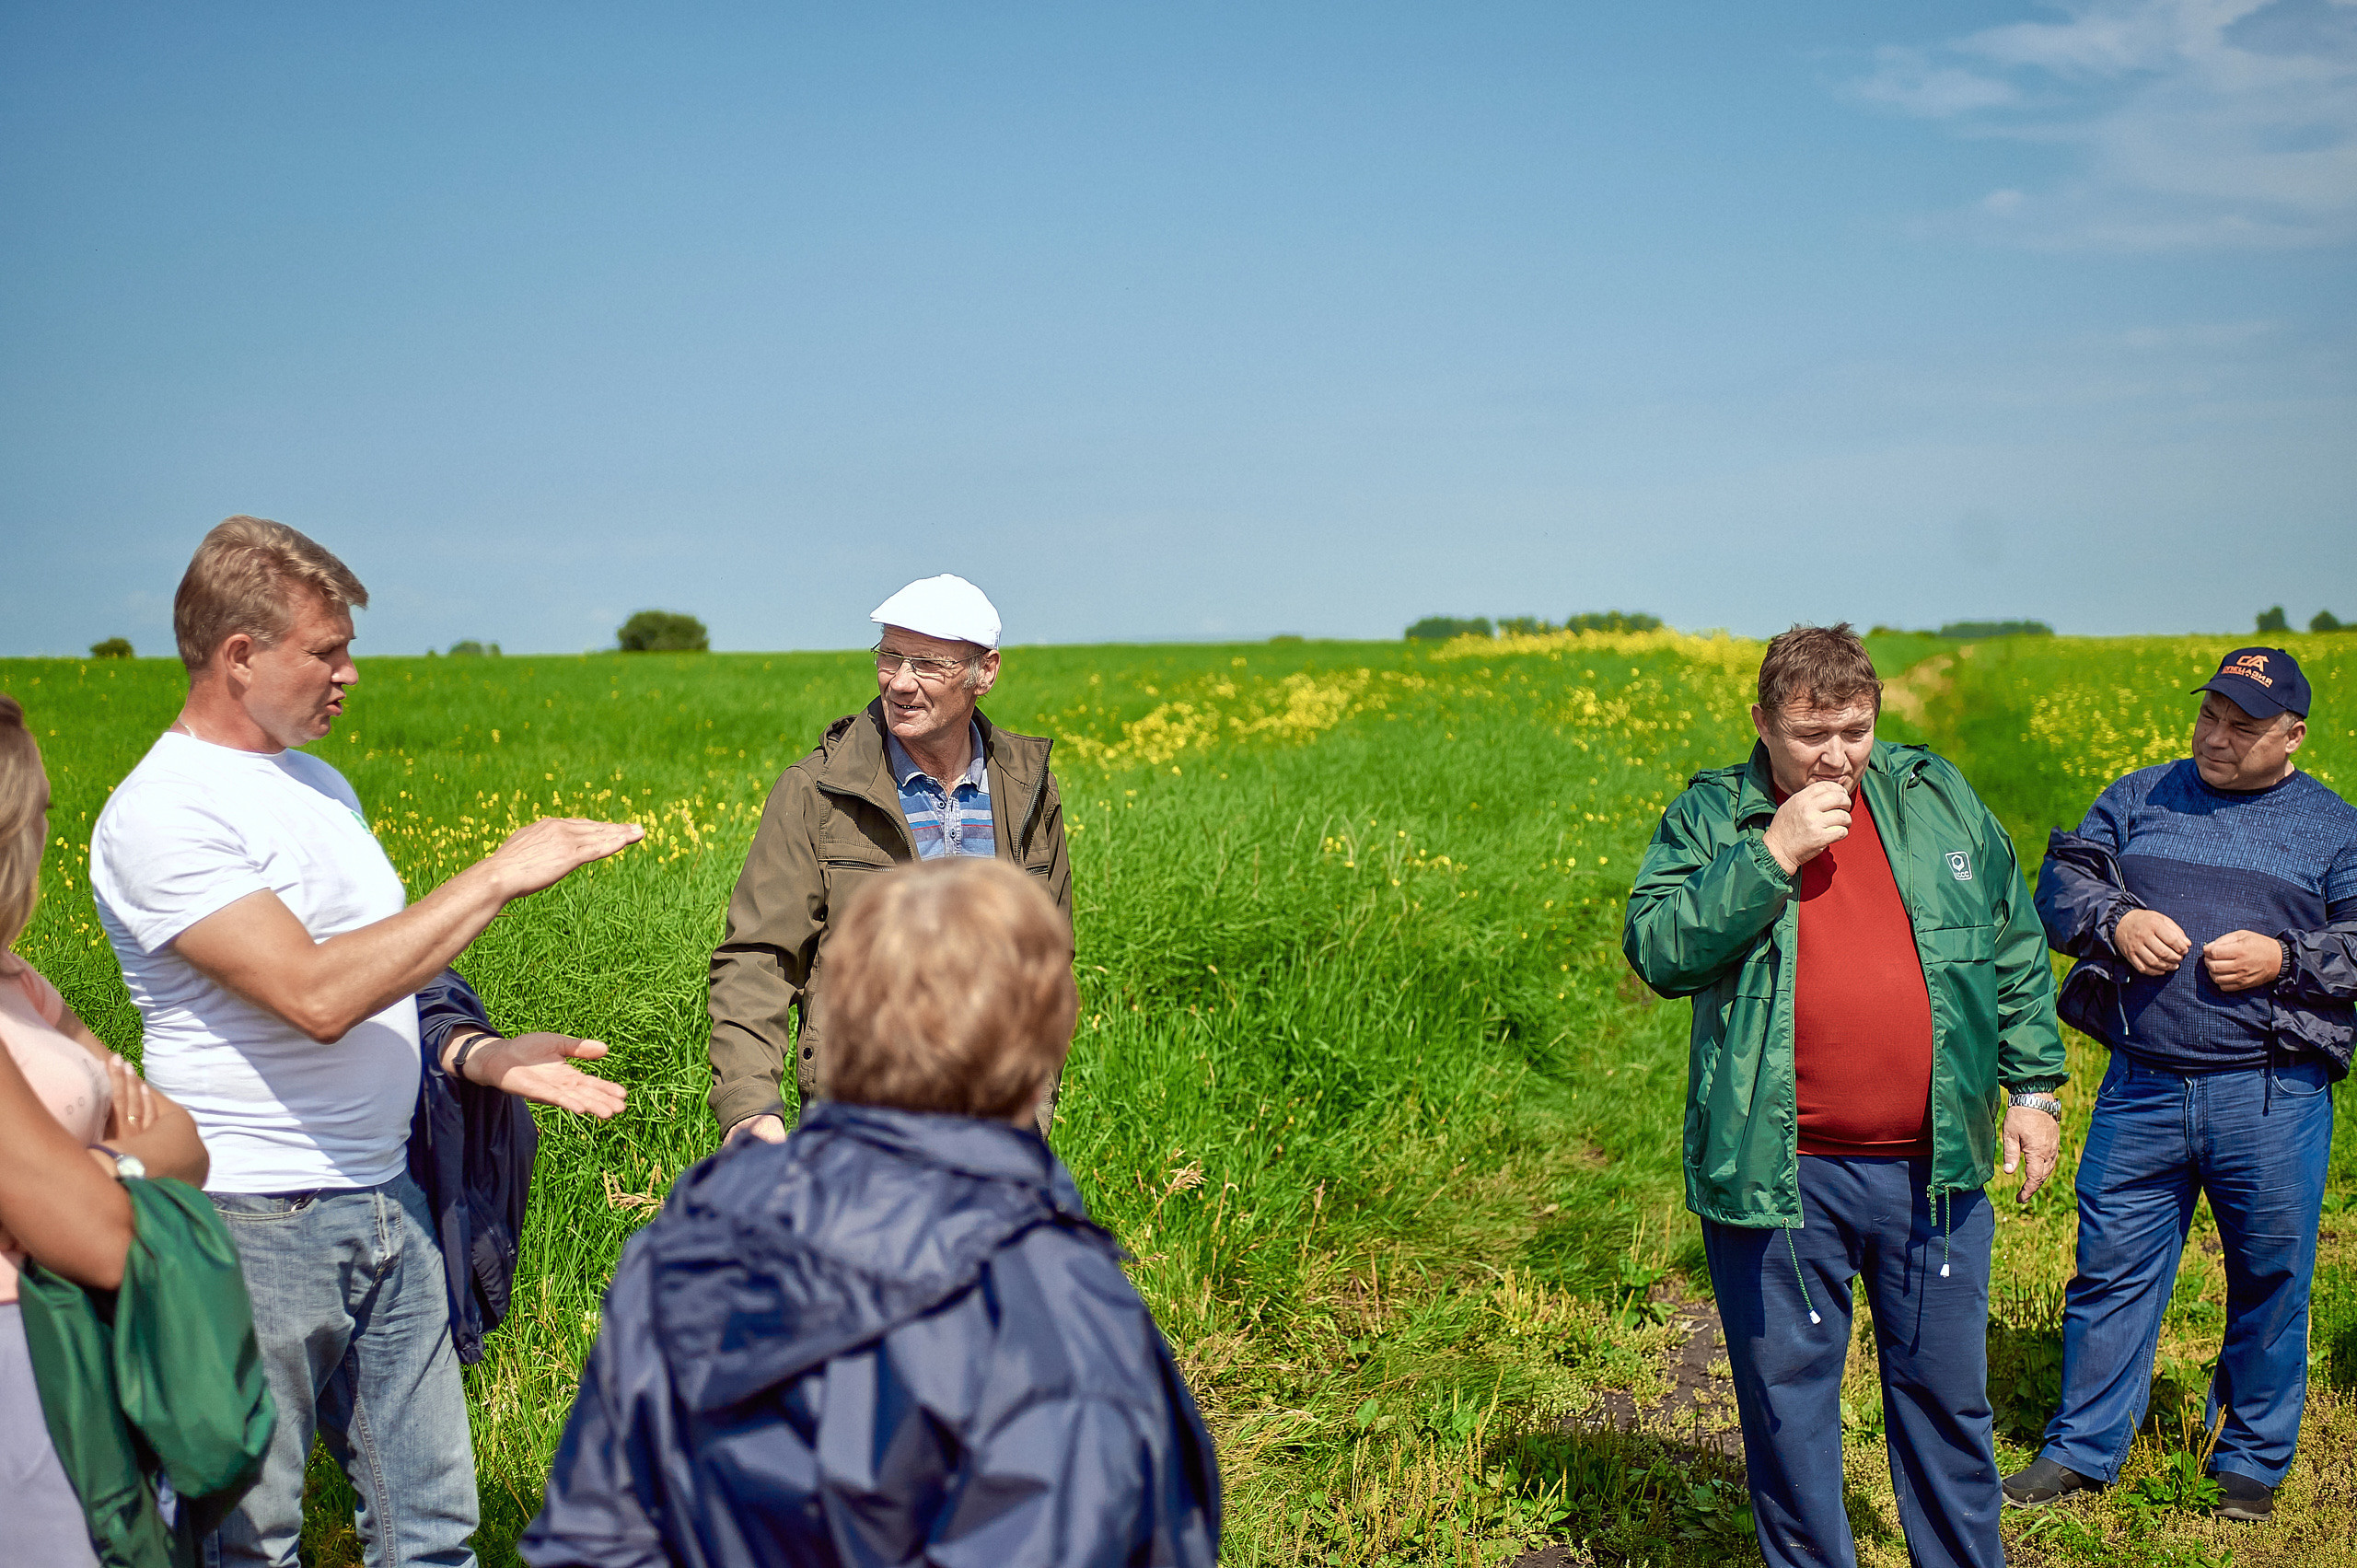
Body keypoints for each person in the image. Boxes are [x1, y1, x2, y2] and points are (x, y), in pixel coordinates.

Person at [88, 517, 644, 1568]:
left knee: (432, 1527)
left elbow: (394, 973)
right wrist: (495, 873)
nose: (349, 673)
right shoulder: (160, 812)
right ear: (239, 654)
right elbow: (313, 993)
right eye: (325, 649)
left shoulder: (319, 787)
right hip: (253, 1218)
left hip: (386, 1197)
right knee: (249, 1538)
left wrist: (476, 1053)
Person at [522, 857, 1220, 1568]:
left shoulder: (681, 1243)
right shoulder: (1062, 1305)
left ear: (839, 1026)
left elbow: (595, 1539)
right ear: (1049, 1038)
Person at [1622, 622, 2067, 1568]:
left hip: (1932, 1172)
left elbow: (2013, 940)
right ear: (1761, 722)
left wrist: (2033, 1088)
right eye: (1808, 734)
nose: (1835, 757)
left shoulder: (1933, 794)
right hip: (1781, 1176)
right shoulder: (1714, 816)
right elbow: (1659, 948)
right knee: (1789, 1409)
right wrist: (1767, 854)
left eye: (1855, 731)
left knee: (1947, 1399)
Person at [2005, 646, 2355, 1524]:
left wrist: (2286, 958)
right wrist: (2115, 920)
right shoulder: (2139, 795)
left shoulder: (2335, 828)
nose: (2218, 738)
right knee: (2110, 1269)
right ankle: (2082, 1448)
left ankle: (2249, 1456)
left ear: (2294, 736)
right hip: (2143, 1086)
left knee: (2270, 1278)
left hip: (2271, 1094)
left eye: (2244, 727)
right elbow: (2061, 884)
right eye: (2211, 716)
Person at [3, 691, 271, 1567]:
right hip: (21, 1352)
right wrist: (112, 1176)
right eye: (37, 815)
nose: (45, 839)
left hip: (77, 1335)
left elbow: (185, 1137)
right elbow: (98, 1236)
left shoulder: (21, 982)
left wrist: (104, 1167)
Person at [708, 574, 1073, 1144]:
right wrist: (751, 1109)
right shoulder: (817, 791)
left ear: (986, 673)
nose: (901, 683)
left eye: (927, 664)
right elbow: (759, 956)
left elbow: (1048, 959)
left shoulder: (1024, 791)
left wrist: (1033, 1109)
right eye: (890, 657)